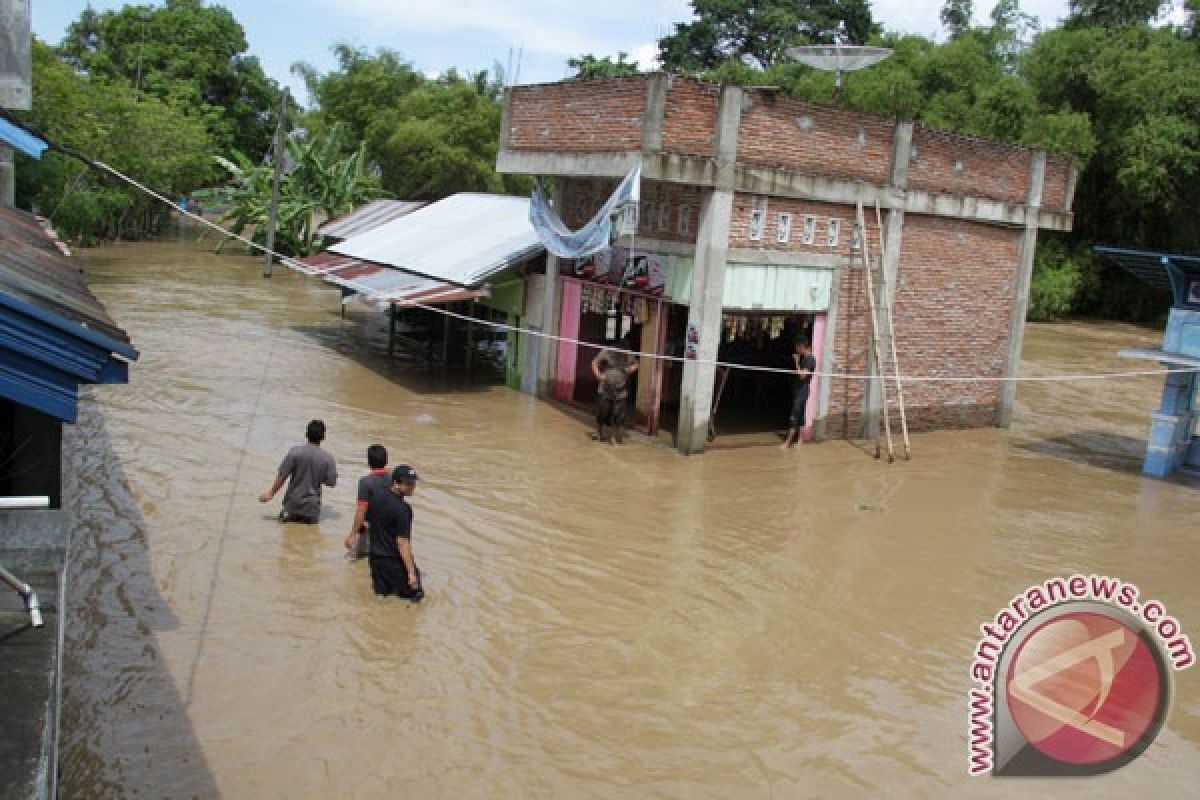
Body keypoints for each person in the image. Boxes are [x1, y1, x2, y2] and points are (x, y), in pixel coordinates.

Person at [258, 419, 337, 523]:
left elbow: (283, 475)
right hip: (311, 509)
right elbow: (331, 483)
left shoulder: (295, 452)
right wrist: (318, 474)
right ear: (323, 437)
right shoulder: (328, 458)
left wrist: (271, 493)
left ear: (306, 434)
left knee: (285, 534)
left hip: (292, 504)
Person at [366, 465, 423, 601]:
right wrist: (411, 572)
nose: (413, 487)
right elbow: (402, 542)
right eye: (409, 483)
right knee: (416, 594)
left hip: (375, 559)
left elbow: (368, 522)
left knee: (381, 598)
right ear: (396, 483)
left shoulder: (375, 498)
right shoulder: (403, 509)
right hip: (393, 561)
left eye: (414, 482)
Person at [343, 444, 389, 559]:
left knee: (354, 559)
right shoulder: (393, 479)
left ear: (369, 462)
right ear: (386, 460)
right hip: (389, 529)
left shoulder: (366, 482)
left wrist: (352, 535)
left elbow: (361, 511)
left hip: (371, 528)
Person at [591, 337, 639, 445]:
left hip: (621, 390)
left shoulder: (628, 354)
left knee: (618, 414)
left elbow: (636, 364)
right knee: (603, 413)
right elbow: (594, 363)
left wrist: (629, 369)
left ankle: (614, 436)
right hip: (605, 388)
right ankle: (599, 433)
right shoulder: (606, 351)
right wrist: (599, 375)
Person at [781, 340, 816, 449]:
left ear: (802, 347)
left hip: (802, 391)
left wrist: (796, 362)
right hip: (800, 390)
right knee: (800, 416)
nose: (796, 350)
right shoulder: (806, 359)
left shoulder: (809, 359)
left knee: (794, 415)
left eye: (797, 347)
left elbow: (802, 376)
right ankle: (800, 441)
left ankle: (788, 442)